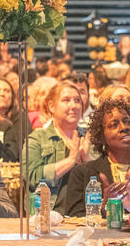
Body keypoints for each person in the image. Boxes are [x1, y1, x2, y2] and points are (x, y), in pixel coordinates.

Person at [61, 98, 130, 217]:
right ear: (102, 137)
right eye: (114, 125)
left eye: (128, 122)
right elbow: (73, 219)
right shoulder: (82, 174)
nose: (123, 127)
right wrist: (104, 208)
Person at [26, 80, 93, 208]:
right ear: (51, 106)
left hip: (86, 214)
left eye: (77, 101)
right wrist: (71, 160)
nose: (73, 106)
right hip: (50, 215)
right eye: (66, 100)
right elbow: (32, 178)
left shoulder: (90, 138)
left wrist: (87, 159)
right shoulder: (37, 139)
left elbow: (103, 181)